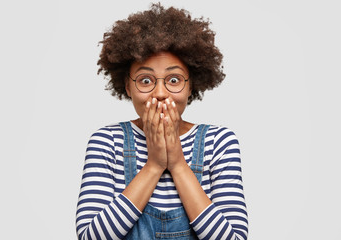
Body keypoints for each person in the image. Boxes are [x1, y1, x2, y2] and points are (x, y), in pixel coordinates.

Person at [76, 3, 248, 240]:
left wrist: (177, 164)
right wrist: (155, 165)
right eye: (145, 80)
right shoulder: (107, 141)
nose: (159, 93)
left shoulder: (219, 142)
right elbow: (90, 237)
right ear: (128, 86)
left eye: (174, 79)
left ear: (191, 85)